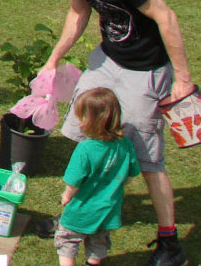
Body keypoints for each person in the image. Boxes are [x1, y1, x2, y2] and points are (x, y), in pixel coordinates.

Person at [23, 0, 194, 266]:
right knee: (85, 134)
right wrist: (54, 59)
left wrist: (182, 80)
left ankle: (170, 245)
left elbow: (166, 17)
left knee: (148, 160)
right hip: (108, 59)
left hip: (144, 70)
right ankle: (76, 219)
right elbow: (78, 13)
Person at [56, 88, 140, 266]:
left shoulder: (85, 149)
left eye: (82, 117)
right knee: (98, 243)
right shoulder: (124, 144)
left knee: (67, 241)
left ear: (94, 121)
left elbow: (73, 181)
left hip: (81, 210)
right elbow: (130, 174)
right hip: (108, 210)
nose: (79, 122)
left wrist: (66, 196)